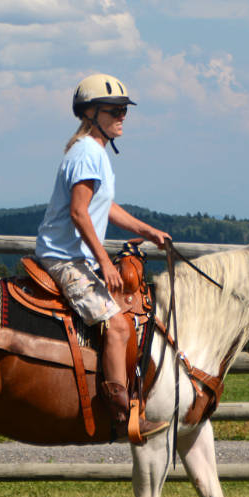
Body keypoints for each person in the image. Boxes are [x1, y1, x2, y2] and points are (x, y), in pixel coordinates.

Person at [36, 73, 172, 443]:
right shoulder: (87, 153)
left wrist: (148, 231)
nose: (122, 115)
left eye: (124, 110)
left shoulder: (93, 151)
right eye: (115, 110)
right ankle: (121, 415)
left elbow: (103, 206)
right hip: (66, 258)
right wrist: (106, 262)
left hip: (76, 255)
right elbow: (80, 212)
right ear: (91, 113)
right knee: (117, 327)